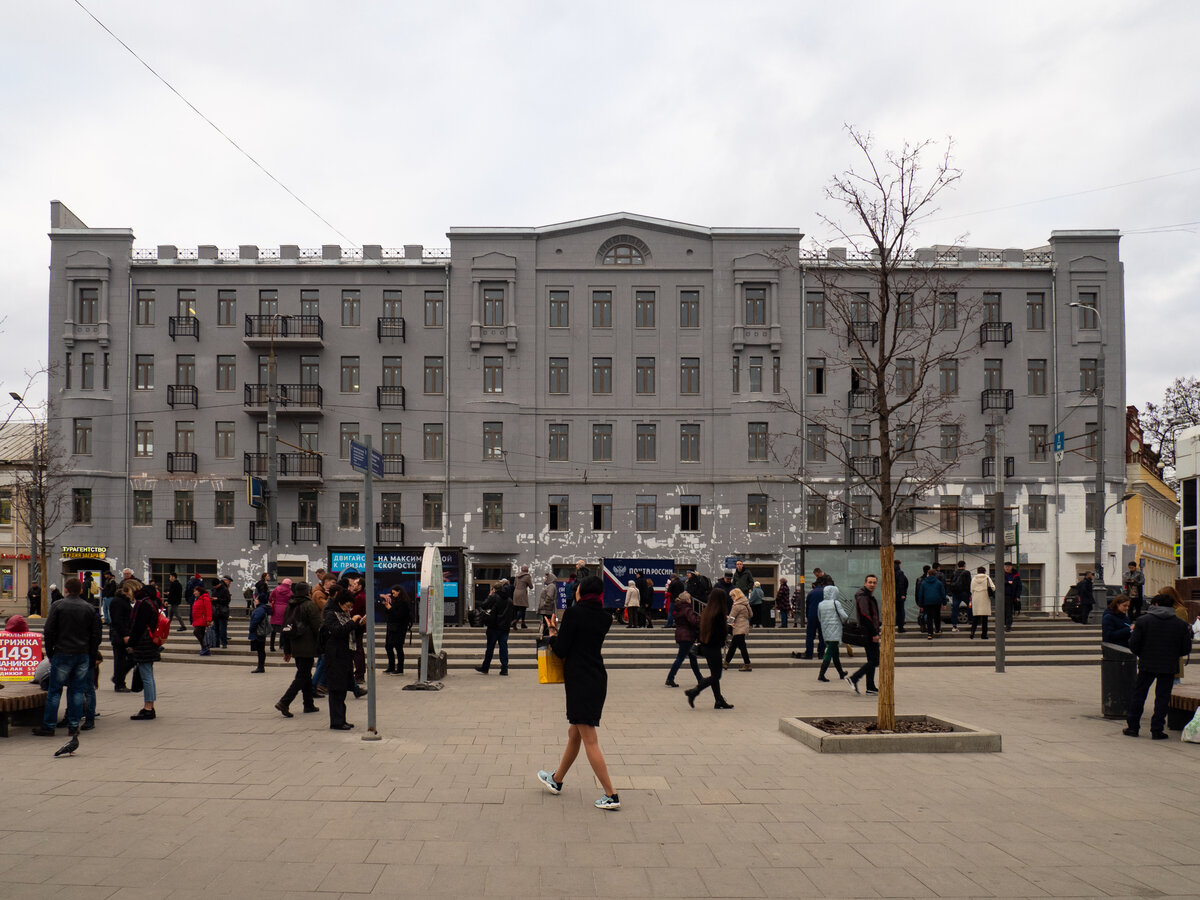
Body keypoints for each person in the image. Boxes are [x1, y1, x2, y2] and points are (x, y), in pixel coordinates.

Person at [537, 575, 621, 810]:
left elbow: (562, 648)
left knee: (590, 740)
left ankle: (611, 794)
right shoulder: (605, 617)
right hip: (596, 677)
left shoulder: (574, 614)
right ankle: (556, 779)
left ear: (581, 591)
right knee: (575, 733)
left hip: (579, 680)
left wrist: (553, 631)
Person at [31, 577, 101, 738]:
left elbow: (49, 631)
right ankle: (74, 725)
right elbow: (95, 635)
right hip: (82, 653)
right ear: (81, 590)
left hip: (62, 652)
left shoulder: (58, 605)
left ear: (67, 590)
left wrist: (50, 652)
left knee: (55, 691)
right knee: (76, 691)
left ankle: (49, 726)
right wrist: (90, 654)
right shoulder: (89, 608)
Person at [1124, 592, 1193, 739]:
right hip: (1168, 665)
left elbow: (1133, 644)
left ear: (1156, 605)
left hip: (1146, 664)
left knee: (1139, 695)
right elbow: (1186, 648)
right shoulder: (1180, 624)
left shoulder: (1143, 621)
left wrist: (1143, 654)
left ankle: (1133, 727)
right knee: (1162, 697)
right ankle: (1157, 729)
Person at [274, 581, 322, 718]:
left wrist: (287, 649)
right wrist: (322, 645)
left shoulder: (290, 605)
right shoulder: (309, 605)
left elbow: (285, 628)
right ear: (308, 592)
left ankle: (308, 704)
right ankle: (285, 701)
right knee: (302, 676)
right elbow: (316, 627)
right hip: (308, 645)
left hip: (294, 644)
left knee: (305, 674)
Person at [322, 589, 364, 730]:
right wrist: (352, 622)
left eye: (350, 606)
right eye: (347, 606)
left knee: (342, 690)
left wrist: (359, 625)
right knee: (336, 690)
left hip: (346, 656)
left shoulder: (344, 614)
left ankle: (342, 719)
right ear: (340, 603)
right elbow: (338, 632)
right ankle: (337, 722)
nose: (349, 608)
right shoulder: (331, 614)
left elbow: (350, 633)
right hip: (335, 656)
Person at [685, 588, 733, 710]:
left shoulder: (707, 611)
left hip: (706, 646)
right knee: (716, 676)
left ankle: (718, 700)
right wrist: (728, 627)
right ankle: (694, 691)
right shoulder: (719, 614)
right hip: (714, 647)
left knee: (714, 674)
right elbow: (720, 633)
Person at [126, 585, 162, 721]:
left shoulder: (144, 604)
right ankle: (149, 706)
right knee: (148, 675)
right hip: (149, 642)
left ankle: (148, 708)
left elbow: (139, 626)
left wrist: (131, 643)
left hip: (144, 643)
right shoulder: (152, 603)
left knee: (147, 676)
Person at [846, 575, 880, 695]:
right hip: (869, 633)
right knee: (876, 659)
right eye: (870, 582)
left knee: (873, 659)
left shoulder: (867, 596)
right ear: (865, 583)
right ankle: (854, 678)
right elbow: (865, 616)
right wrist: (874, 633)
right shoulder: (863, 596)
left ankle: (870, 687)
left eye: (874, 582)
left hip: (870, 631)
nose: (872, 584)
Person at [475, 578, 514, 675]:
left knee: (490, 647)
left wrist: (489, 595)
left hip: (494, 626)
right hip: (505, 627)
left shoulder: (494, 597)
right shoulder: (509, 600)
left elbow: (484, 605)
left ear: (494, 589)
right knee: (504, 647)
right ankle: (504, 668)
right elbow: (512, 614)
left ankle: (485, 667)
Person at [665, 587, 703, 688]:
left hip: (681, 634)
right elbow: (693, 622)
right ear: (687, 600)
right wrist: (699, 618)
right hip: (687, 635)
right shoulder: (687, 609)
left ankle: (700, 678)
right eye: (690, 599)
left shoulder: (679, 608)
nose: (691, 600)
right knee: (680, 658)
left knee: (692, 658)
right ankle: (670, 678)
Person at [817, 578, 849, 682]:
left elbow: (819, 618)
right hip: (835, 631)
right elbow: (844, 616)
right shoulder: (836, 603)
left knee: (835, 653)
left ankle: (841, 673)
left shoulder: (821, 604)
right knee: (830, 652)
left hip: (826, 631)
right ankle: (821, 674)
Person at [109, 578, 134, 691]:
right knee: (120, 659)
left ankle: (118, 678)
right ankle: (119, 683)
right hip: (119, 635)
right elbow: (117, 620)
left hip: (124, 633)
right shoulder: (118, 601)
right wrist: (124, 634)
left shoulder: (124, 601)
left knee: (128, 658)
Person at [382, 584, 413, 675]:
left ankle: (400, 669)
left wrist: (390, 608)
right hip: (392, 628)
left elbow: (399, 615)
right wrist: (388, 607)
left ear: (399, 592)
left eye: (394, 593)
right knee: (388, 646)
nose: (393, 594)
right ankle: (391, 667)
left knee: (398, 647)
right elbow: (391, 613)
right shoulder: (396, 601)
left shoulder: (404, 603)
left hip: (399, 629)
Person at [724, 588, 753, 671]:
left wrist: (727, 619)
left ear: (735, 596)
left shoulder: (736, 606)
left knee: (742, 647)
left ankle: (747, 664)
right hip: (744, 626)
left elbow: (731, 618)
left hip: (738, 627)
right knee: (733, 646)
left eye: (732, 596)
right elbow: (751, 614)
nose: (731, 598)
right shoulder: (746, 603)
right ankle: (726, 663)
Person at [917, 567, 947, 640]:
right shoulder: (939, 583)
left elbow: (920, 594)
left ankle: (930, 633)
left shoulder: (924, 583)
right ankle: (937, 629)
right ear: (935, 574)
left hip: (927, 602)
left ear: (928, 574)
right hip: (937, 601)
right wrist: (944, 603)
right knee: (937, 616)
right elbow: (943, 593)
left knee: (929, 618)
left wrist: (921, 605)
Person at [969, 566, 995, 640]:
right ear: (984, 571)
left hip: (976, 598)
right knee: (984, 619)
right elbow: (993, 587)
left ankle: (972, 633)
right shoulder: (987, 578)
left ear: (977, 571)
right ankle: (984, 635)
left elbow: (971, 589)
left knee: (975, 618)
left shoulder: (974, 579)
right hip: (985, 598)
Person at [248, 591, 270, 673]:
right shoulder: (263, 608)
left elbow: (255, 621)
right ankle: (261, 666)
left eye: (256, 599)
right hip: (261, 632)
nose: (255, 600)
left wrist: (251, 628)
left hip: (258, 632)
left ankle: (260, 667)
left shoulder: (259, 610)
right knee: (261, 650)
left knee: (260, 650)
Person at [803, 577, 825, 659]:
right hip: (822, 617)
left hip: (812, 616)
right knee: (822, 636)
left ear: (814, 585)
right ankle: (821, 654)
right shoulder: (825, 593)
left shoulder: (811, 593)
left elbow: (807, 606)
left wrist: (807, 617)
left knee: (810, 636)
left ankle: (809, 654)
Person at [190, 583, 213, 656]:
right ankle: (205, 649)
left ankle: (205, 647)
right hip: (197, 619)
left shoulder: (205, 598)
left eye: (195, 591)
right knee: (201, 634)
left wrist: (208, 620)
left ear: (199, 591)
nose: (194, 593)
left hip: (202, 619)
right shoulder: (197, 599)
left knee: (196, 632)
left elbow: (208, 609)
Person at [269, 578, 292, 652]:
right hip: (285, 611)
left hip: (276, 610)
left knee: (273, 630)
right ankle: (281, 645)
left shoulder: (276, 589)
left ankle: (271, 646)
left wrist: (274, 601)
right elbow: (292, 601)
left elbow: (270, 598)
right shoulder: (290, 592)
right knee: (283, 629)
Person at [210, 575, 233, 649]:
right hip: (216, 611)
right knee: (216, 628)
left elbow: (227, 600)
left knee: (222, 628)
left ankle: (224, 643)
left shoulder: (224, 589)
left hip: (222, 611)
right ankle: (217, 643)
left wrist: (217, 599)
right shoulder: (215, 589)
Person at [512, 565, 533, 630]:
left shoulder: (517, 576)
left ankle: (522, 624)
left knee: (516, 608)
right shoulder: (527, 576)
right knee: (523, 609)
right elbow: (531, 586)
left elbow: (514, 585)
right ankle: (515, 621)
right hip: (522, 592)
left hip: (515, 592)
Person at [1003, 562, 1022, 631]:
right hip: (1002, 596)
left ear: (1011, 567)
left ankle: (1008, 626)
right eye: (1006, 566)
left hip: (1011, 596)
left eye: (1008, 566)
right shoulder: (1002, 574)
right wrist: (1008, 582)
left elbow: (1019, 586)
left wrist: (1017, 596)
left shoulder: (1015, 575)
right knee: (1003, 611)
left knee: (1009, 611)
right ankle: (1004, 624)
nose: (1007, 568)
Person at [894, 560, 909, 634]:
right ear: (899, 564)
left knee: (896, 610)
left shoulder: (890, 571)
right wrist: (902, 594)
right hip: (899, 595)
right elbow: (901, 584)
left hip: (892, 595)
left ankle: (896, 623)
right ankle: (900, 627)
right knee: (900, 611)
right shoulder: (900, 572)